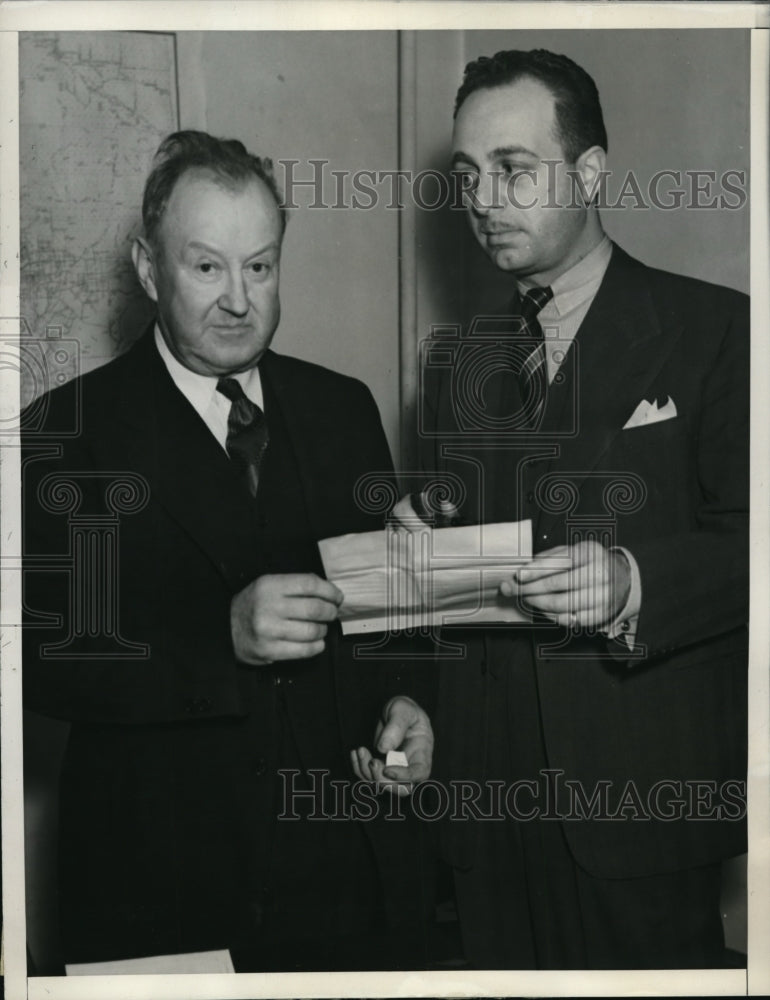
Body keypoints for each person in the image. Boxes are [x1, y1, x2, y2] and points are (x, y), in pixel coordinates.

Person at [361, 48, 748, 970]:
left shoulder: (717, 332)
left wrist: (633, 580)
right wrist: (419, 688)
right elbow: (462, 590)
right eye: (467, 175)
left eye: (512, 169)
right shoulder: (455, 365)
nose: (483, 199)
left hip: (637, 818)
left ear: (589, 173)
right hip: (484, 826)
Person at [22, 130, 433, 972]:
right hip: (161, 889)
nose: (239, 300)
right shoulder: (66, 434)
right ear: (147, 269)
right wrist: (221, 639)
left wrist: (408, 706)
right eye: (206, 267)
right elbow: (42, 661)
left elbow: (388, 623)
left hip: (340, 881)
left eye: (261, 266)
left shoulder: (341, 408)